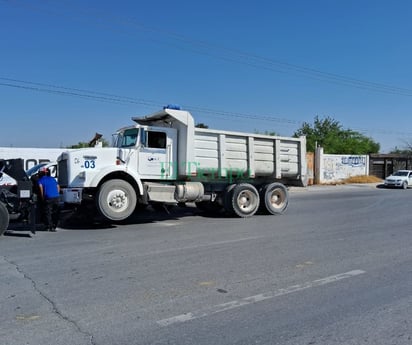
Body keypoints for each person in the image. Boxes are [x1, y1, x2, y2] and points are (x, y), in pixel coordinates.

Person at [37, 167, 60, 231]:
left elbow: (41, 189)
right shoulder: (53, 179)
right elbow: (58, 187)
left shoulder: (40, 180)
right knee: (55, 212)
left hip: (48, 197)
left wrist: (42, 197)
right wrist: (56, 194)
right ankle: (54, 225)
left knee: (48, 212)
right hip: (56, 197)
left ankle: (49, 226)